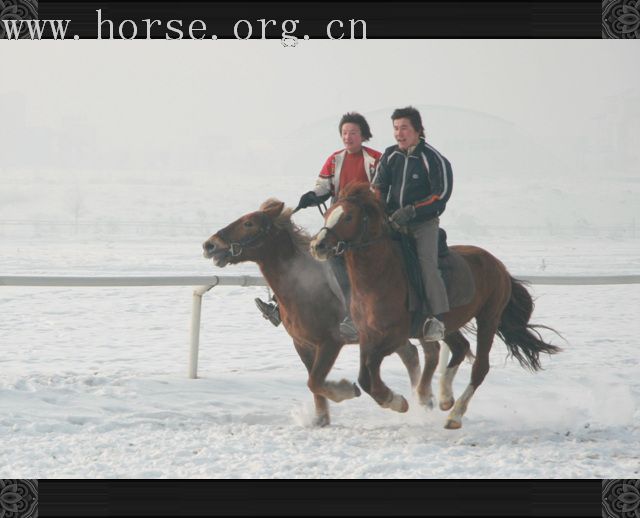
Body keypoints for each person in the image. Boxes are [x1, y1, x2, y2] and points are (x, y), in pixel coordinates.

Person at [255, 112, 382, 341]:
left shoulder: (375, 159)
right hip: (338, 224)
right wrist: (313, 196)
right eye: (344, 133)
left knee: (336, 260)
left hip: (363, 227)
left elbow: (380, 191)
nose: (348, 137)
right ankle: (278, 307)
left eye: (353, 132)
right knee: (308, 254)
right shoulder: (335, 159)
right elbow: (323, 185)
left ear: (363, 135)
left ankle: (353, 317)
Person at [372, 106, 453, 341]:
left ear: (418, 130)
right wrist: (382, 211)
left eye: (404, 128)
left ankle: (437, 319)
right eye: (396, 128)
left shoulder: (433, 158)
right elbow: (378, 187)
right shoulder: (389, 155)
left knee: (427, 265)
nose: (399, 133)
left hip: (423, 224)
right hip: (392, 222)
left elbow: (441, 194)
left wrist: (412, 211)